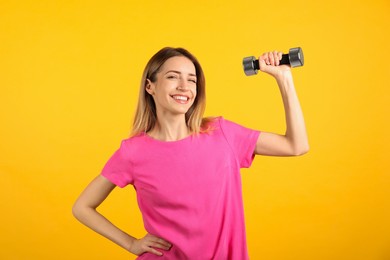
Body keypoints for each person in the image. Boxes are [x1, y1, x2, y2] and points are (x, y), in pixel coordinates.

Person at [72, 47, 309, 259]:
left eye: (192, 80)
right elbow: (82, 207)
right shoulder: (133, 152)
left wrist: (284, 78)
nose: (184, 87)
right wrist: (131, 243)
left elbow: (296, 146)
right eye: (173, 77)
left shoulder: (222, 133)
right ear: (150, 86)